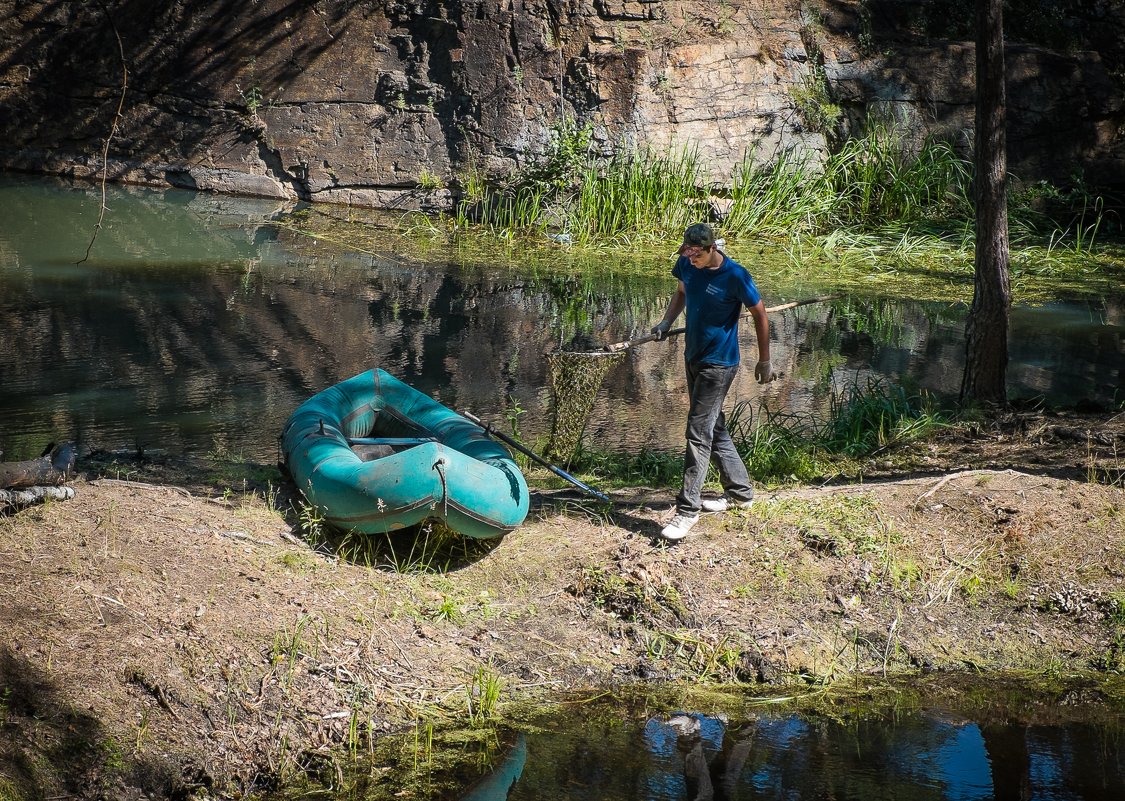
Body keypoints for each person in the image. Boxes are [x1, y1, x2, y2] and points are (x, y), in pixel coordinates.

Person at [651, 222, 775, 541]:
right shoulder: (686, 264)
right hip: (693, 355)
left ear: (712, 249)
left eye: (697, 255)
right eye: (687, 254)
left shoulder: (735, 276)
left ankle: (687, 511)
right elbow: (681, 292)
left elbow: (760, 314)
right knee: (712, 427)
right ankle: (740, 493)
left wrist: (764, 360)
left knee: (697, 430)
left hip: (719, 364)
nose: (691, 260)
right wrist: (666, 321)